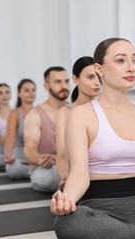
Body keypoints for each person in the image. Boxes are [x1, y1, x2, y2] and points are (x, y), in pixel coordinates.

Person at [50, 38, 135, 239]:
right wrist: (67, 200)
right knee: (67, 226)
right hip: (99, 208)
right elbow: (79, 173)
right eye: (120, 60)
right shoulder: (80, 115)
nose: (131, 67)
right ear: (99, 69)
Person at [56, 56, 101, 190]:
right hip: (77, 174)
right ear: (75, 79)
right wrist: (65, 178)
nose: (97, 83)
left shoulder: (104, 110)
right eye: (90, 77)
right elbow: (63, 154)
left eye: (99, 77)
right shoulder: (65, 113)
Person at [24, 66, 70, 192]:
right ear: (46, 86)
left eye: (66, 81)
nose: (64, 85)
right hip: (47, 169)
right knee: (55, 177)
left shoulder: (75, 110)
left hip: (72, 166)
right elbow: (29, 148)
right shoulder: (35, 115)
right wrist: (39, 159)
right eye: (58, 82)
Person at [4, 79, 36, 179]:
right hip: (20, 155)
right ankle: (36, 172)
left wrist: (36, 159)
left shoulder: (40, 111)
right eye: (27, 90)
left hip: (37, 154)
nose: (31, 93)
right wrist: (8, 157)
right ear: (19, 94)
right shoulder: (15, 113)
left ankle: (35, 170)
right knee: (13, 168)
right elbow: (10, 138)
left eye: (33, 90)